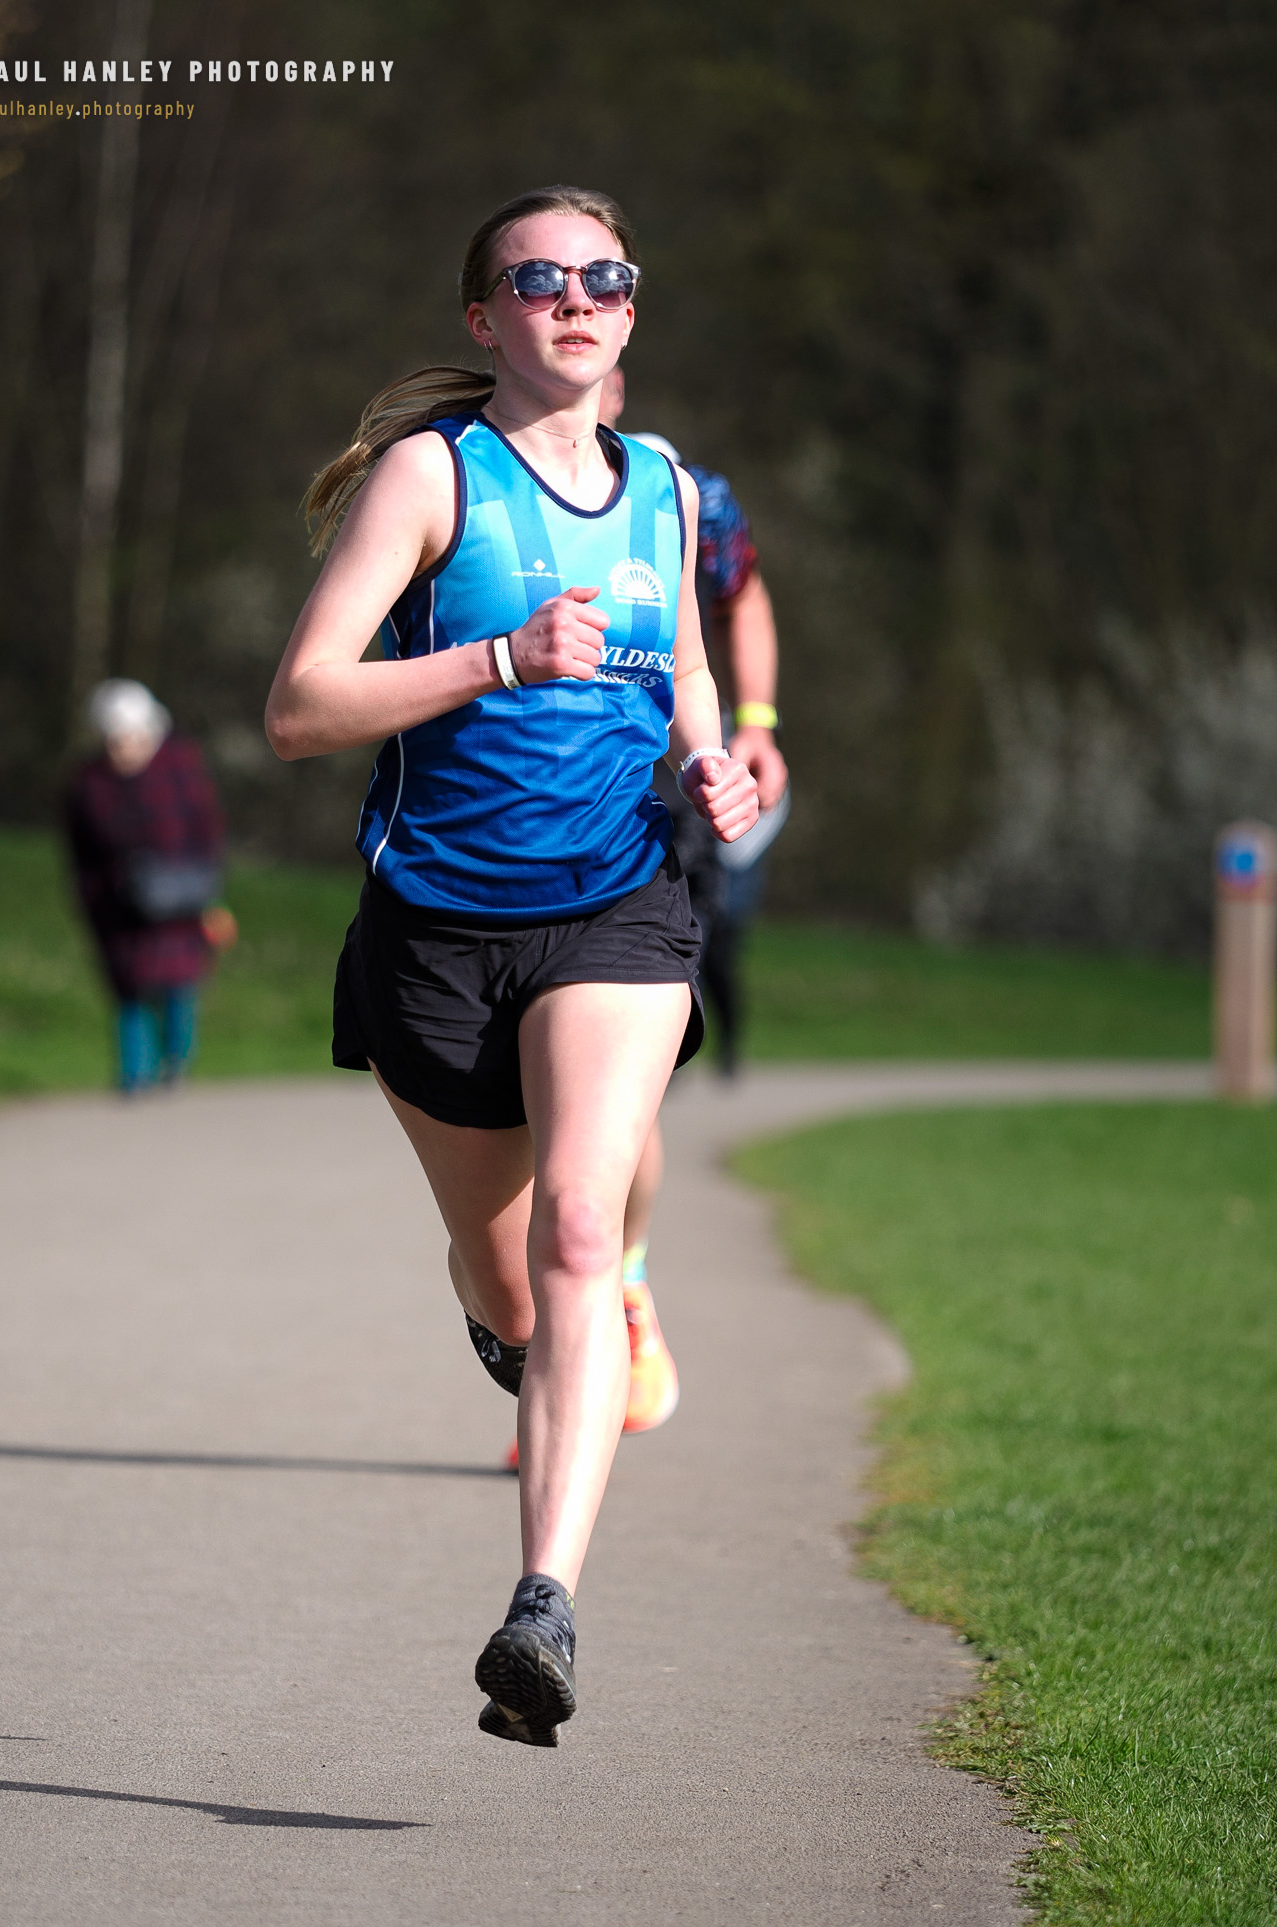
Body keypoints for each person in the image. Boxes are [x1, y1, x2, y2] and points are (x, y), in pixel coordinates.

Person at [265, 185, 759, 1747]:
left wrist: (719, 768)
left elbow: (681, 657)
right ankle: (563, 1333)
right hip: (434, 928)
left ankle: (542, 1605)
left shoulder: (668, 486)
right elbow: (301, 706)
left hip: (615, 905)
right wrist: (493, 658)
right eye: (538, 278)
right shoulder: (434, 477)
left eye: (605, 274)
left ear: (630, 306)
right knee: (514, 1291)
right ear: (485, 319)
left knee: (574, 1228)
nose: (577, 296)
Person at [591, 371, 791, 1444]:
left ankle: (616, 1288)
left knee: (618, 1094)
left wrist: (751, 721)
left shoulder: (687, 493)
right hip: (514, 831)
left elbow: (744, 591)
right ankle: (575, 1318)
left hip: (665, 805)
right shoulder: (473, 475)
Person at [63, 680, 230, 1094]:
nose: (124, 749)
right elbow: (79, 852)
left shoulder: (181, 767)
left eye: (133, 738)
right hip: (118, 907)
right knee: (130, 991)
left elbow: (207, 831)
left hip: (181, 902)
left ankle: (175, 1062)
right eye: (115, 740)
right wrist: (92, 898)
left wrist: (205, 886)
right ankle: (133, 1075)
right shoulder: (88, 785)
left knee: (178, 987)